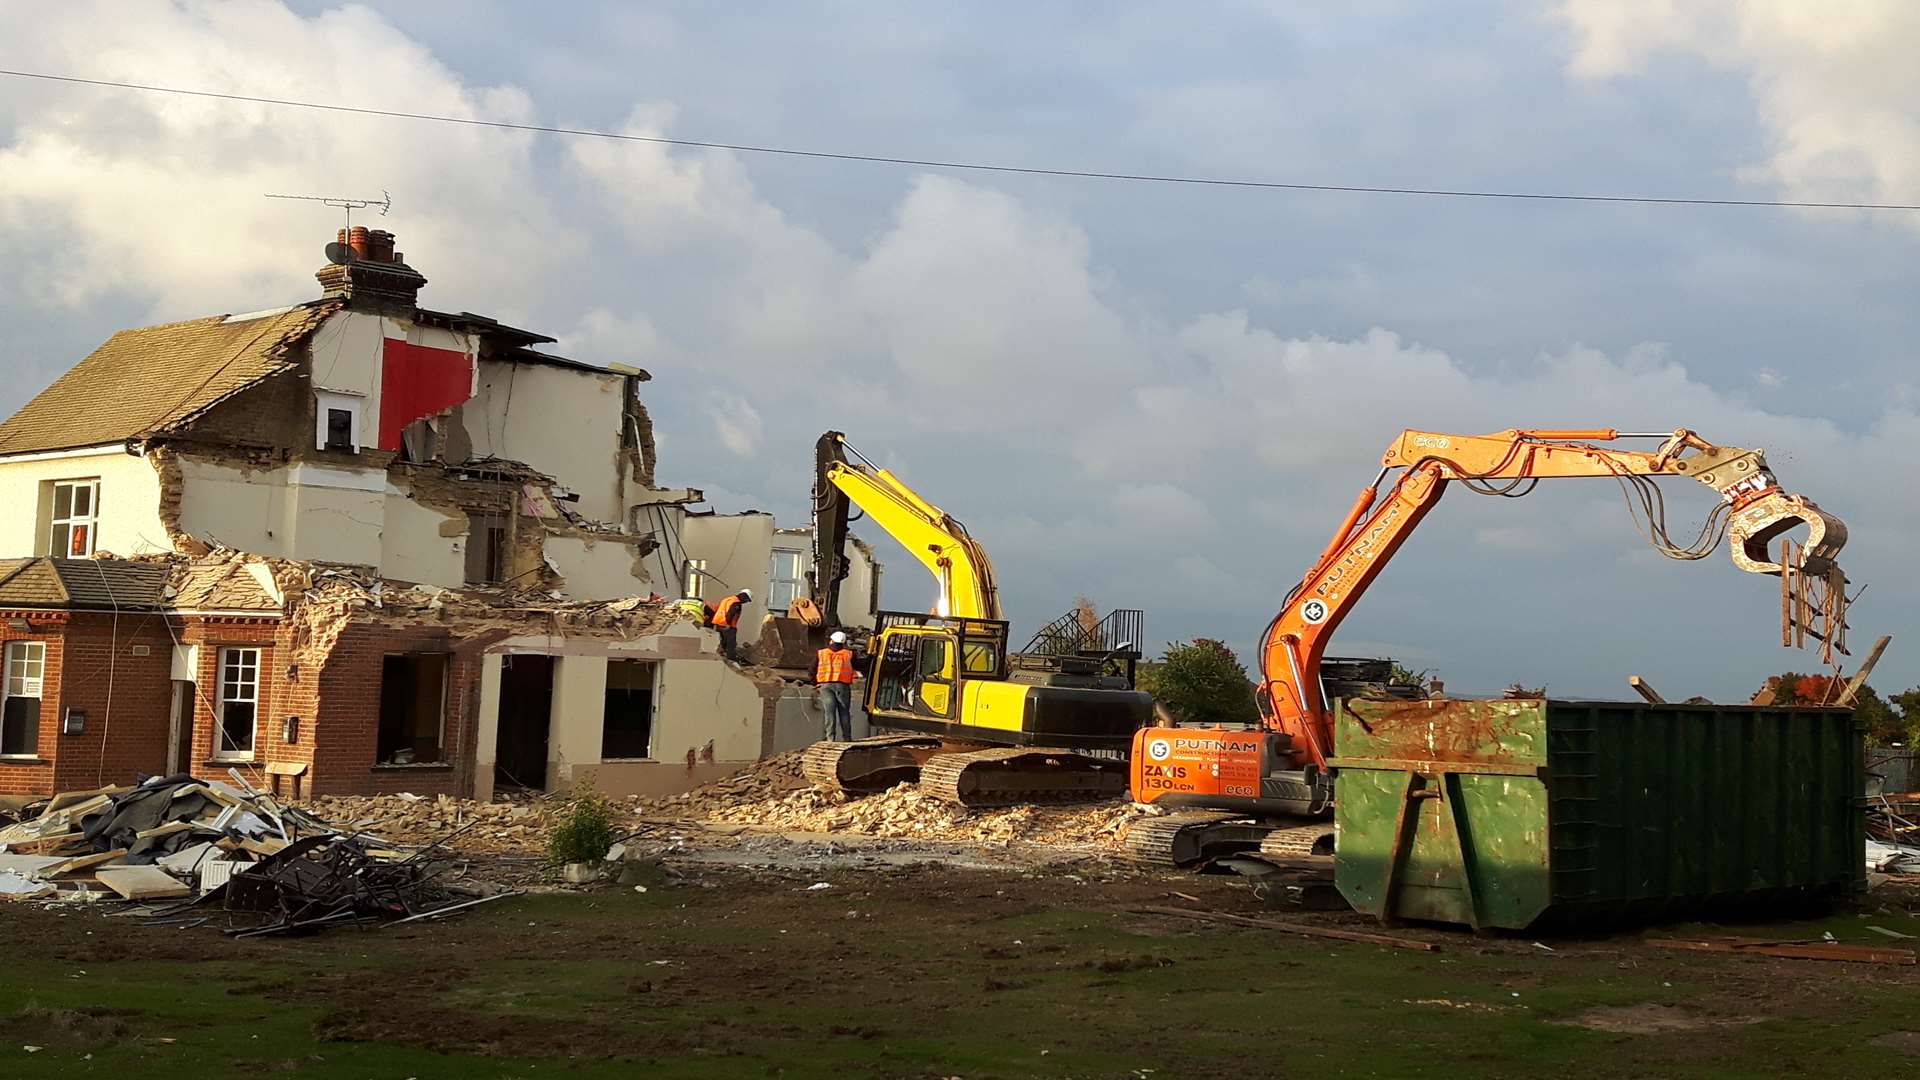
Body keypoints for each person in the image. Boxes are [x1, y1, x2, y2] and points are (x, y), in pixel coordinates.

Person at [814, 630, 860, 741]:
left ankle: (830, 738)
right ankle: (847, 738)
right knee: (844, 713)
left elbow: (812, 668)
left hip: (826, 687)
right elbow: (858, 665)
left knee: (829, 713)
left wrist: (814, 682)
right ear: (843, 643)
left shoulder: (821, 653)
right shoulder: (849, 654)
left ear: (831, 641)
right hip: (842, 686)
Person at [710, 588, 751, 661]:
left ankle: (721, 660)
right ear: (744, 596)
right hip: (728, 626)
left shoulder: (727, 599)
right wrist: (728, 624)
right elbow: (730, 613)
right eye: (747, 600)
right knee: (730, 644)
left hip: (719, 624)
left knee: (722, 643)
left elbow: (718, 609)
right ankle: (731, 661)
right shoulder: (736, 602)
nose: (746, 602)